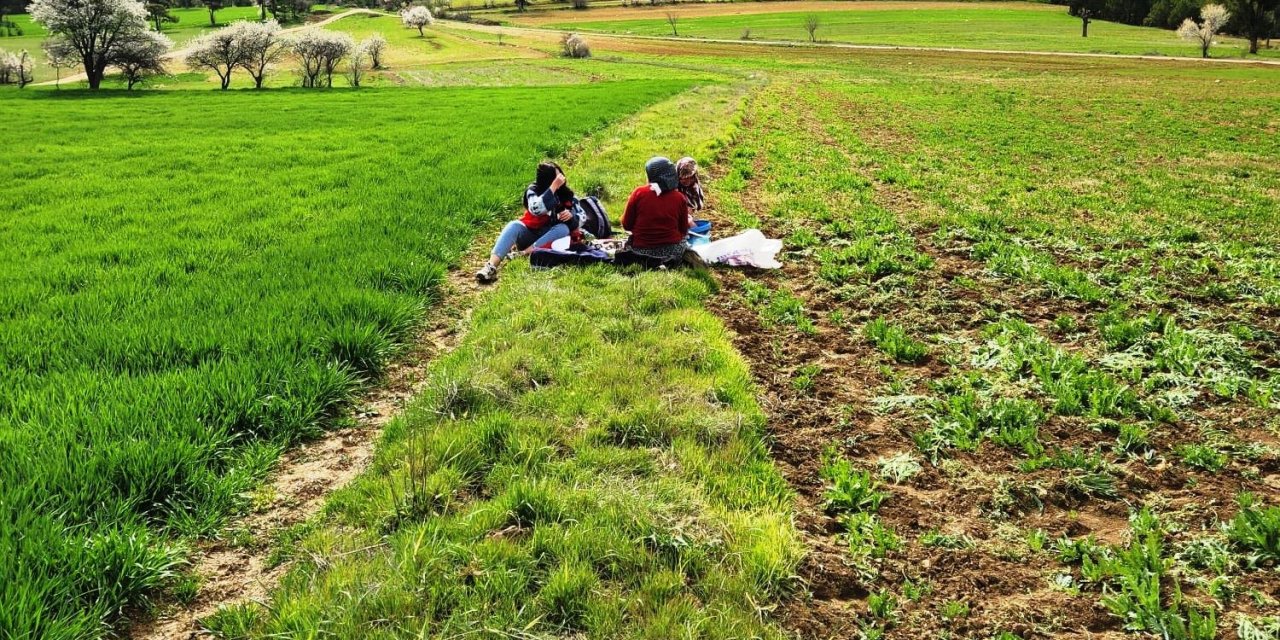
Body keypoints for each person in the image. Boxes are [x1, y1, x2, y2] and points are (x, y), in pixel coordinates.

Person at [476, 161, 579, 283]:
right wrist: (553, 188)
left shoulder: (566, 194)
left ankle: (524, 253)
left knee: (563, 229)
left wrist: (570, 216)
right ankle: (491, 266)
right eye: (556, 178)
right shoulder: (533, 190)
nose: (561, 180)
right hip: (530, 233)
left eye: (561, 176)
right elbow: (536, 209)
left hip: (549, 238)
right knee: (514, 225)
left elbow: (578, 220)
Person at [620, 156, 692, 264]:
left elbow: (627, 225)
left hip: (641, 252)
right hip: (672, 251)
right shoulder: (679, 198)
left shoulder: (639, 193)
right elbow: (683, 230)